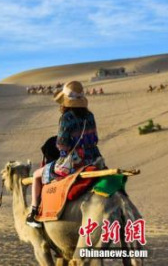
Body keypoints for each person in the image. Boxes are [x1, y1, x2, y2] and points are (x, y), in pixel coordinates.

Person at [26, 81, 103, 228]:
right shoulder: (90, 116)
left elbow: (62, 144)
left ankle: (34, 214)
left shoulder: (67, 117)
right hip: (94, 159)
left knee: (36, 175)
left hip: (74, 163)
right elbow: (95, 139)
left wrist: (63, 151)